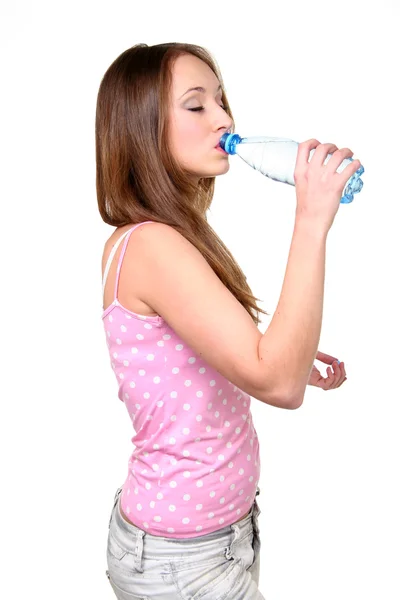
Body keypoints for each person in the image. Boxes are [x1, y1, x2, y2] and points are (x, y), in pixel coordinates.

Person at [96, 42, 355, 600]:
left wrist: (290, 352)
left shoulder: (163, 237)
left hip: (212, 539)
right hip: (183, 562)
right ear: (141, 128)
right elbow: (277, 386)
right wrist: (311, 220)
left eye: (221, 100)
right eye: (197, 106)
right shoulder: (153, 245)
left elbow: (220, 358)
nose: (225, 118)